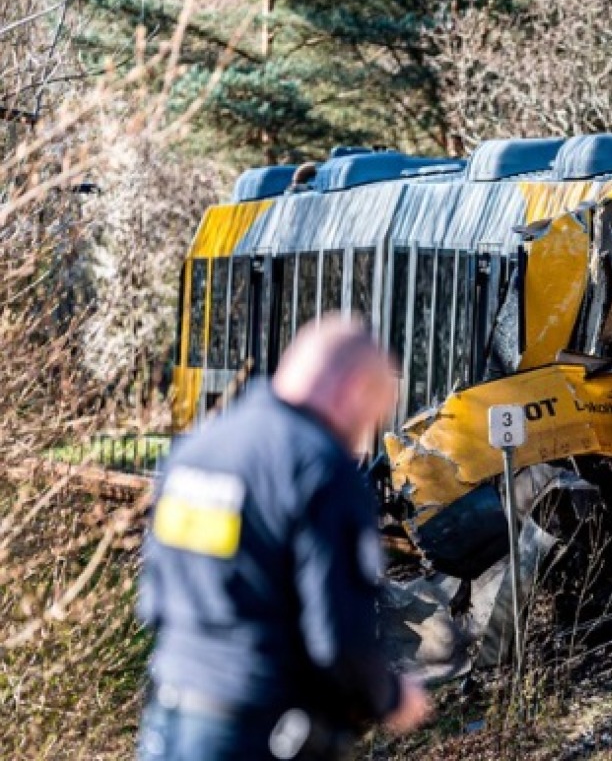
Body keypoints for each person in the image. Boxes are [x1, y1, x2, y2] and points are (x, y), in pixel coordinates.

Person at [137, 319, 430, 761]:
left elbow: (153, 598)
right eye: (373, 414)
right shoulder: (319, 468)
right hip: (258, 731)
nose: (363, 433)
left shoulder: (198, 449)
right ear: (351, 389)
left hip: (170, 720)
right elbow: (337, 639)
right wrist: (391, 696)